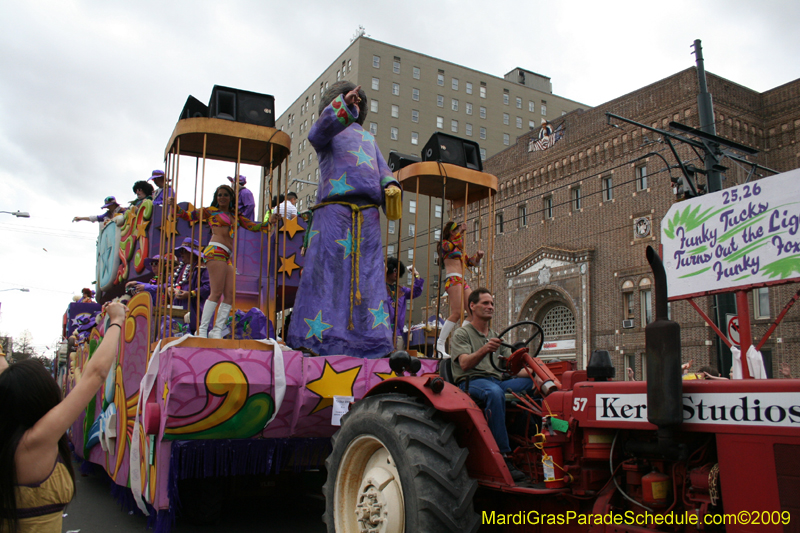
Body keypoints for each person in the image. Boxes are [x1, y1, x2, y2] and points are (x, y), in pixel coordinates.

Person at [286, 81, 401, 358]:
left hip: (368, 217)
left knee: (371, 277)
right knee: (326, 274)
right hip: (334, 213)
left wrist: (390, 185)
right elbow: (316, 135)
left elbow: (383, 169)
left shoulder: (369, 139)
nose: (355, 104)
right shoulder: (328, 131)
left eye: (358, 101)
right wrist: (343, 106)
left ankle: (372, 341)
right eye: (350, 100)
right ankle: (317, 339)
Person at [0, 301, 126, 533]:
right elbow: (96, 375)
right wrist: (117, 320)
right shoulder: (36, 440)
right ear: (42, 396)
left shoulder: (9, 438)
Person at [449, 288, 536, 483]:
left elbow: (508, 368)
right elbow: (464, 364)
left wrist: (535, 373)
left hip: (497, 380)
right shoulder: (462, 334)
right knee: (494, 393)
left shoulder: (495, 334)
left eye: (492, 304)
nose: (490, 307)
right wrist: (485, 349)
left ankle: (531, 442)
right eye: (485, 303)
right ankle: (503, 456)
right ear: (472, 306)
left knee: (531, 385)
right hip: (471, 381)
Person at [171, 184, 278, 338]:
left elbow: (254, 226)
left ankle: (216, 330)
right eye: (219, 195)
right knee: (216, 292)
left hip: (226, 256)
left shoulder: (236, 216)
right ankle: (202, 330)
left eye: (225, 195)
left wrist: (271, 222)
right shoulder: (211, 211)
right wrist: (174, 206)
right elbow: (189, 215)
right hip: (215, 250)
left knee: (229, 294)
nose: (222, 198)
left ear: (231, 198)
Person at [436, 221, 484, 358]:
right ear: (452, 232)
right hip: (453, 279)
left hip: (461, 280)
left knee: (472, 312)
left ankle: (459, 340)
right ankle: (440, 344)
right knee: (456, 313)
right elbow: (450, 246)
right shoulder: (445, 244)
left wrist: (478, 257)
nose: (458, 232)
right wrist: (461, 233)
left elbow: (470, 262)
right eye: (456, 230)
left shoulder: (459, 248)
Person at [385, 257, 424, 349]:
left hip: (397, 334)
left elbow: (416, 292)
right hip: (381, 332)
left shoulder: (401, 290)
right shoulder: (379, 289)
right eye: (394, 270)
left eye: (398, 271)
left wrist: (416, 275)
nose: (396, 273)